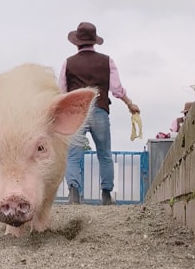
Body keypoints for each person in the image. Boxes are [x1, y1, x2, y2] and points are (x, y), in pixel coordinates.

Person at [58, 22, 141, 205]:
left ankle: (73, 194)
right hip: (99, 110)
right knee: (104, 154)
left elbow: (61, 91)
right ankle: (106, 195)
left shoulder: (68, 63)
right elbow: (117, 89)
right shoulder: (107, 61)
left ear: (77, 42)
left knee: (73, 154)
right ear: (94, 42)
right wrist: (129, 104)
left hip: (75, 114)